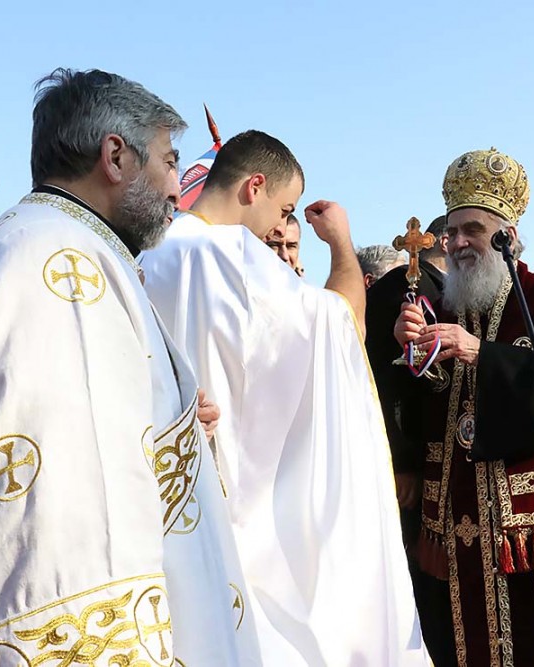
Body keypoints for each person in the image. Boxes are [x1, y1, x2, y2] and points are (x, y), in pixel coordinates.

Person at [0, 68, 259, 666]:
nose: (179, 188)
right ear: (115, 156)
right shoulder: (56, 265)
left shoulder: (58, 247)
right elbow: (59, 519)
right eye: (170, 162)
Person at [139, 130, 428, 665]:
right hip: (241, 503)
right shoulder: (230, 256)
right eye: (284, 207)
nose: (279, 225)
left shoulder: (147, 249)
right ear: (254, 186)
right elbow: (344, 323)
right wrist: (340, 241)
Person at [394, 149, 534, 666]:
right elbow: (425, 407)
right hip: (450, 522)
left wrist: (482, 355)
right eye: (452, 232)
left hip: (529, 529)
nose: (457, 243)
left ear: (507, 236)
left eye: (472, 229)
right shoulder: (439, 306)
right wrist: (412, 357)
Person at [364, 214, 449, 656]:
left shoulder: (416, 283)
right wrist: (405, 462)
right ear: (447, 241)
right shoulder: (410, 287)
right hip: (407, 466)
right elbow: (392, 384)